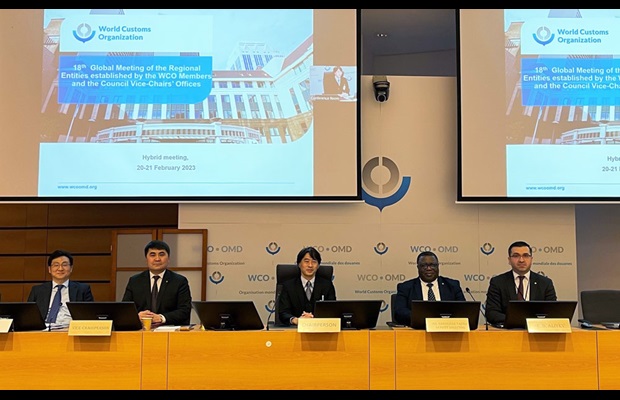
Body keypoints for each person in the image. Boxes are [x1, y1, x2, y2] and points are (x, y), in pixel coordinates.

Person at [485, 240, 557, 326]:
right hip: (508, 330)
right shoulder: (498, 282)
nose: (521, 260)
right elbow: (491, 313)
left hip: (537, 331)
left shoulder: (545, 283)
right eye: (516, 256)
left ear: (531, 259)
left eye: (526, 255)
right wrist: (519, 321)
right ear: (509, 260)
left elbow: (553, 312)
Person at [122, 240, 192, 326]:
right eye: (152, 255)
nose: (157, 259)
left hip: (169, 329)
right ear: (146, 259)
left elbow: (185, 310)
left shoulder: (180, 281)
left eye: (161, 254)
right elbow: (124, 310)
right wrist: (136, 316)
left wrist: (161, 318)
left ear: (168, 258)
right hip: (141, 329)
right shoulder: (135, 281)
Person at [393, 250, 465, 326]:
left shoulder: (452, 286)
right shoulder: (406, 287)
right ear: (418, 267)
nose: (429, 268)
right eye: (424, 265)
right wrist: (423, 318)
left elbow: (463, 309)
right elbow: (399, 312)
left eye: (432, 265)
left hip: (447, 328)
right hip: (419, 328)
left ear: (438, 266)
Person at [27, 249, 94, 328]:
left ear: (71, 268)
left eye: (64, 265)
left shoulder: (82, 290)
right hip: (44, 331)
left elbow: (90, 316)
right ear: (49, 269)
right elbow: (29, 316)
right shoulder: (37, 290)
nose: (60, 268)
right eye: (56, 265)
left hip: (71, 330)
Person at [278, 246, 336, 326]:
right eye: (306, 261)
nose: (310, 265)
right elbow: (283, 313)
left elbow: (332, 310)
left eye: (314, 262)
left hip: (319, 328)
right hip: (295, 329)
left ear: (318, 265)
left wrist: (314, 319)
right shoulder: (288, 286)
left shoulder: (327, 285)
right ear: (299, 264)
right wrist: (296, 320)